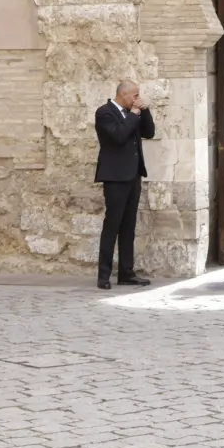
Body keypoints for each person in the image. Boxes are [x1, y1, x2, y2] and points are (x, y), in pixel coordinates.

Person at [94, 80, 155, 290]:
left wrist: (144, 112)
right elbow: (119, 136)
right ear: (123, 95)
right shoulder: (104, 113)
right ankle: (104, 275)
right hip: (115, 176)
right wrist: (135, 114)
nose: (137, 99)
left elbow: (149, 132)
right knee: (113, 224)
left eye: (138, 96)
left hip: (133, 175)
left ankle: (126, 273)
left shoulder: (134, 113)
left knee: (129, 225)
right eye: (134, 95)